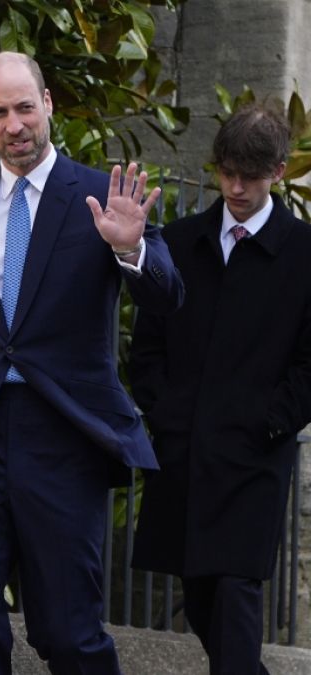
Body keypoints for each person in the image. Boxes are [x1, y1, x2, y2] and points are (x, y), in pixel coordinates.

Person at [0, 51, 183, 674]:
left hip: (65, 439)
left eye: (25, 108)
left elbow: (168, 296)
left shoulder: (102, 196)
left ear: (48, 104)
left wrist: (132, 250)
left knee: (67, 632)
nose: (15, 125)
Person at [129, 103, 311, 675]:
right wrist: (166, 414)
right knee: (202, 596)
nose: (235, 188)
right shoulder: (181, 241)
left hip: (255, 455)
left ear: (277, 171)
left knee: (236, 588)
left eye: (249, 177)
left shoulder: (305, 253)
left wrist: (270, 422)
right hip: (184, 448)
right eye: (226, 172)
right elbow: (147, 343)